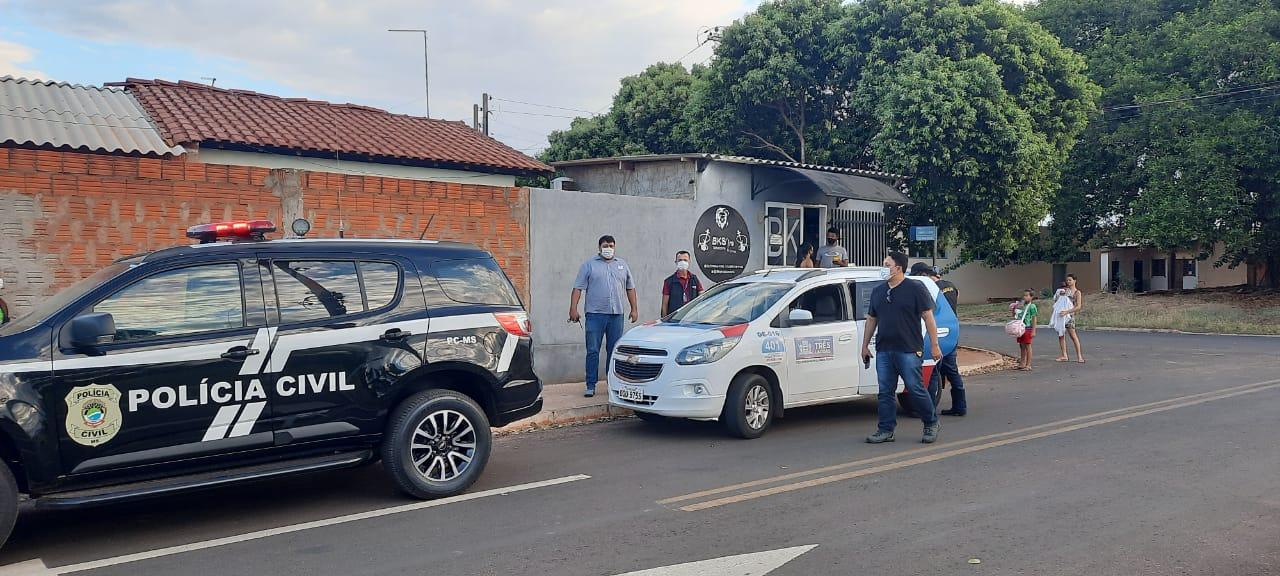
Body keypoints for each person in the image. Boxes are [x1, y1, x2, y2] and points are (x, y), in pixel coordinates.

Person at [864, 252, 943, 444]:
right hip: (884, 349)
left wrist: (934, 345)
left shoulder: (915, 288)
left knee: (915, 388)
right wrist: (865, 345)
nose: (883, 267)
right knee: (885, 392)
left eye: (886, 264)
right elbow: (872, 319)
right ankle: (885, 430)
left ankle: (931, 422)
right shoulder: (878, 291)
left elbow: (928, 317)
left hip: (908, 349)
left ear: (898, 268)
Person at [570, 235, 638, 397]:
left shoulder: (622, 265)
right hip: (595, 315)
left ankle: (611, 382)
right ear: (600, 247)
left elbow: (630, 287)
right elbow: (578, 288)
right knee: (592, 350)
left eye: (611, 245)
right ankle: (590, 384)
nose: (609, 248)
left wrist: (634, 309)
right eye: (606, 245)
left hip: (616, 315)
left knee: (613, 350)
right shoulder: (589, 265)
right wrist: (573, 308)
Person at [909, 263, 966, 416]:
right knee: (952, 371)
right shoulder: (951, 286)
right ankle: (960, 406)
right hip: (951, 332)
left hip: (936, 332)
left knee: (933, 371)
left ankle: (929, 409)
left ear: (921, 274)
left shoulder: (930, 289)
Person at [660, 251, 703, 317]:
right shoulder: (669, 281)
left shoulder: (694, 279)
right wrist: (664, 322)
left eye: (685, 260)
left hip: (691, 318)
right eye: (680, 260)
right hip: (674, 320)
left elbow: (702, 297)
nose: (682, 262)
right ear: (676, 262)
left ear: (689, 262)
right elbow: (664, 305)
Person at [1056, 273, 1086, 363]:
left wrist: (1068, 312)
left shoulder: (1077, 292)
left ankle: (1079, 356)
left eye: (1070, 280)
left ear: (1074, 281)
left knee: (1073, 335)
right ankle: (1064, 355)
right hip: (1061, 315)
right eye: (1067, 280)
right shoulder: (1064, 291)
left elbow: (1078, 306)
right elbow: (1058, 301)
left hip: (1070, 316)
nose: (1068, 282)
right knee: (1061, 335)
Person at [1013, 289, 1038, 371]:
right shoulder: (1022, 305)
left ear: (1031, 297)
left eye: (1027, 295)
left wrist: (1034, 330)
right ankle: (1022, 363)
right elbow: (1016, 315)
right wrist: (1014, 309)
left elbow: (1034, 318)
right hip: (1021, 327)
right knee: (1021, 345)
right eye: (1024, 295)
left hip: (1028, 327)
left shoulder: (1032, 306)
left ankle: (1028, 364)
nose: (1025, 297)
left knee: (1027, 345)